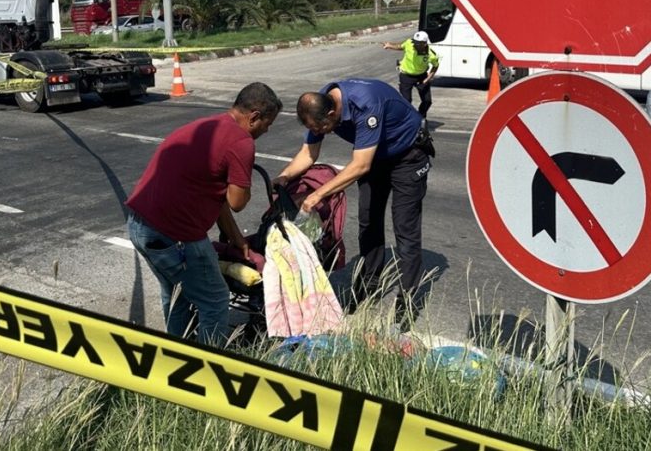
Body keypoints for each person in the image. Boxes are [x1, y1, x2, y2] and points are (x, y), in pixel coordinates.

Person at [127, 82, 282, 345]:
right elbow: (236, 202)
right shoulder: (241, 141)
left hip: (140, 226)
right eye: (267, 124)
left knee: (178, 294)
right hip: (176, 236)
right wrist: (243, 180)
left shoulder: (207, 125)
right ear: (254, 116)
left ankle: (180, 353)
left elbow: (215, 196)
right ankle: (209, 366)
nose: (266, 131)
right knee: (215, 300)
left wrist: (237, 239)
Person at [274, 78, 434, 331]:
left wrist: (317, 196)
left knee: (405, 231)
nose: (323, 132)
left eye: (324, 127)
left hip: (407, 155)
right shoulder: (319, 107)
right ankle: (367, 288)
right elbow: (308, 154)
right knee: (368, 222)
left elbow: (360, 166)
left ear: (332, 112)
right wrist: (283, 177)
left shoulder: (365, 104)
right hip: (375, 154)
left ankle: (407, 304)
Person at [382, 31, 440, 119]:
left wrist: (427, 80)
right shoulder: (409, 43)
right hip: (406, 76)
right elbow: (401, 46)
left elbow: (435, 66)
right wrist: (390, 46)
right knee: (406, 101)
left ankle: (420, 117)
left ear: (424, 44)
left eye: (417, 44)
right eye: (414, 42)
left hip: (421, 77)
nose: (414, 45)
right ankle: (407, 119)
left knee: (427, 101)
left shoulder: (431, 55)